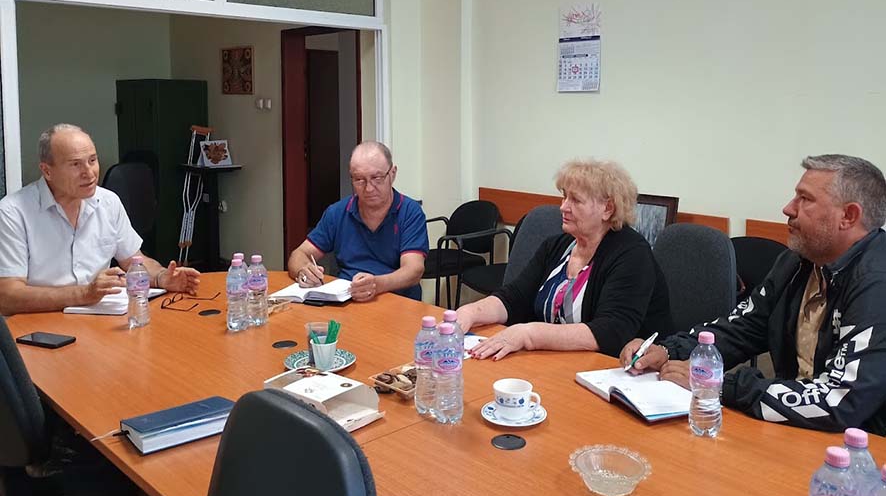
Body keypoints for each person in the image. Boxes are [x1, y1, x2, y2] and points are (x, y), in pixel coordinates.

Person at [620, 154, 886, 435]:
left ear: (848, 216)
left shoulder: (876, 283)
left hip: (858, 444)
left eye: (805, 199)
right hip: (791, 427)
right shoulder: (796, 262)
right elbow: (742, 328)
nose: (788, 208)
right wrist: (668, 351)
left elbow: (840, 402)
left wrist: (719, 385)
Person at [457, 159, 674, 360]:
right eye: (564, 196)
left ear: (607, 209)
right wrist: (470, 312)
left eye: (576, 200)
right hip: (556, 361)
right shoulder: (557, 246)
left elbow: (610, 332)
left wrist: (528, 334)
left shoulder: (632, 254)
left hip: (611, 370)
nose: (563, 207)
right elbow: (514, 297)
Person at [0, 124, 200, 315]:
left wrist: (162, 277)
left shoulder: (108, 202)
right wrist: (84, 294)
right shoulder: (13, 212)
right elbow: (7, 296)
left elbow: (134, 261)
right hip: (39, 324)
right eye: (75, 164)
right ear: (47, 171)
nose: (89, 173)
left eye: (92, 160)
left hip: (100, 320)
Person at [287, 141, 428, 301]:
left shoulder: (410, 212)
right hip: (347, 299)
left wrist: (377, 285)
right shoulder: (337, 212)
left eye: (377, 178)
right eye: (359, 180)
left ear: (393, 173)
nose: (369, 188)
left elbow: (413, 270)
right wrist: (303, 271)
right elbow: (299, 254)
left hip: (397, 300)